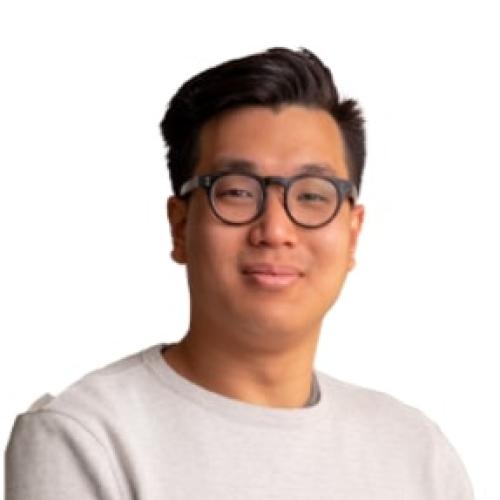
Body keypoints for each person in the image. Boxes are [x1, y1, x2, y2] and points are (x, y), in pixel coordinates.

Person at [5, 47, 474, 499]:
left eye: (312, 195)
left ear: (352, 234)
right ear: (181, 227)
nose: (275, 230)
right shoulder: (87, 437)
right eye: (236, 192)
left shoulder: (417, 454)